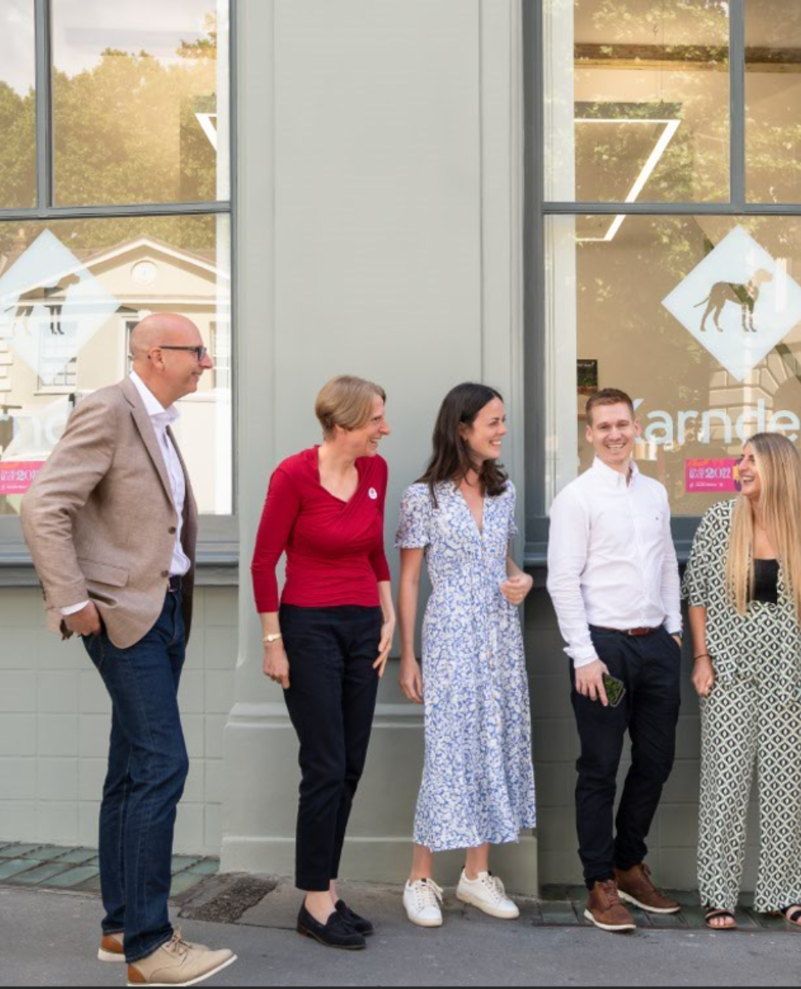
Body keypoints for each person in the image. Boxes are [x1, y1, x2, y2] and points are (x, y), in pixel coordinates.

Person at [21, 313, 236, 986]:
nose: (205, 360)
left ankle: (120, 928)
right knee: (164, 764)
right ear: (152, 354)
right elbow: (42, 506)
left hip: (164, 608)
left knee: (131, 767)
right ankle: (150, 944)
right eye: (196, 350)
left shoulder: (162, 421)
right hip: (120, 613)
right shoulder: (108, 408)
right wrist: (73, 600)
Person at [686, 432, 801, 932]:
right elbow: (696, 595)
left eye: (752, 461)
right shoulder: (720, 521)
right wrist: (701, 658)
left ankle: (781, 893)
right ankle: (717, 894)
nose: (741, 467)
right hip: (728, 672)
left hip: (793, 673)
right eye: (740, 459)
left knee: (787, 786)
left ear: (778, 469)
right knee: (724, 783)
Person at [250, 375, 397, 950]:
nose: (385, 429)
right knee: (325, 764)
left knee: (351, 764)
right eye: (375, 420)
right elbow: (264, 565)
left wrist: (389, 619)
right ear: (342, 426)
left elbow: (374, 549)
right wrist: (273, 642)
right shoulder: (292, 476)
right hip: (307, 629)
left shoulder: (376, 473)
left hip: (364, 628)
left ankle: (328, 891)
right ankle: (313, 901)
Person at [396, 383, 536, 927]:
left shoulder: (506, 493)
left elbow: (503, 562)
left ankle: (476, 876)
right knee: (448, 752)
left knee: (493, 743)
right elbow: (409, 581)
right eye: (493, 422)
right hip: (450, 634)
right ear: (463, 427)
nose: (503, 430)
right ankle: (419, 879)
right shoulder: (422, 496)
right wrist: (408, 657)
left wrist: (519, 579)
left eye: (503, 420)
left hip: (500, 636)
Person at [546, 388, 683, 933]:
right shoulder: (576, 498)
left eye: (622, 424)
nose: (614, 434)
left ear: (634, 426)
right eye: (603, 426)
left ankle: (628, 864)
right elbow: (561, 581)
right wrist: (583, 655)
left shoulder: (654, 491)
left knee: (656, 761)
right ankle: (598, 882)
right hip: (603, 651)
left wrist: (673, 632)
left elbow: (669, 562)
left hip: (655, 648)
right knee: (600, 768)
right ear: (589, 433)